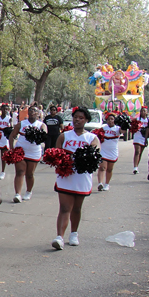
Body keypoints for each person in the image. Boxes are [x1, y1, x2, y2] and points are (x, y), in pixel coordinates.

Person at [51, 107, 100, 250]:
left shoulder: (92, 138)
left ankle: (74, 234)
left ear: (86, 120)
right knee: (65, 207)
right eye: (75, 117)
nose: (77, 120)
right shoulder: (64, 136)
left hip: (81, 178)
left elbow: (95, 157)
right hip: (66, 176)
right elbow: (56, 154)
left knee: (77, 209)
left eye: (81, 118)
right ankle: (59, 237)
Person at [8, 106, 47, 203]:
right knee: (20, 171)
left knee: (29, 174)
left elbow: (44, 135)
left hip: (34, 152)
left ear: (38, 113)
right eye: (31, 110)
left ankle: (29, 191)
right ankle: (18, 194)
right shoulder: (21, 124)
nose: (32, 112)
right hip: (21, 150)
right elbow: (12, 136)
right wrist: (12, 149)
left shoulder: (41, 125)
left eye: (35, 110)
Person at [97, 112, 121, 191]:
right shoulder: (103, 128)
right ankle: (100, 183)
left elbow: (123, 130)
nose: (110, 121)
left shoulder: (118, 129)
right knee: (102, 167)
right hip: (103, 151)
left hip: (113, 152)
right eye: (108, 119)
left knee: (109, 169)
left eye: (112, 119)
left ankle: (106, 184)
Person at [132, 106, 149, 175]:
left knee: (140, 153)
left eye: (144, 111)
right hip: (137, 136)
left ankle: (137, 166)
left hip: (144, 137)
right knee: (137, 151)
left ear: (146, 112)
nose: (143, 112)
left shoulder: (148, 120)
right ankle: (135, 167)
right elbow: (132, 127)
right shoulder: (137, 119)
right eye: (141, 111)